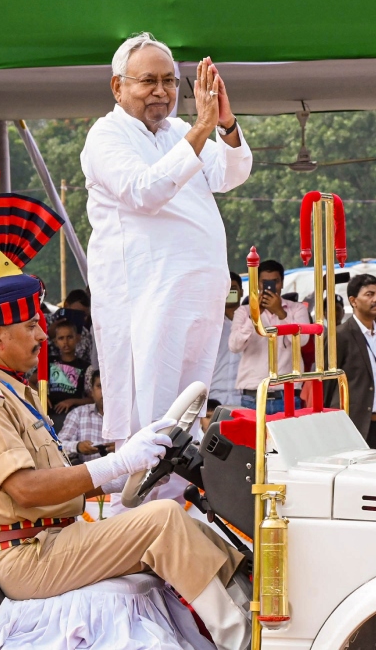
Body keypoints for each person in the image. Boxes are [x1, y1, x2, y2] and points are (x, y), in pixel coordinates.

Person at [0, 266, 250, 650]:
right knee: (162, 520)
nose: (42, 335)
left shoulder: (14, 392)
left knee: (183, 518)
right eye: (30, 326)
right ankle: (241, 637)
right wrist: (117, 464)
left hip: (53, 540)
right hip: (27, 556)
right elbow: (24, 490)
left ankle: (251, 598)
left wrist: (119, 477)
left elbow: (54, 477)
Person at [80, 32, 252, 458]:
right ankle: (136, 519)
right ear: (118, 87)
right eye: (148, 81)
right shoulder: (106, 136)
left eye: (170, 81)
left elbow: (229, 175)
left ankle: (177, 515)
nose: (162, 91)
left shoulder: (177, 130)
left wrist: (226, 125)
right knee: (150, 422)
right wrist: (201, 129)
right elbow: (145, 191)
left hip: (197, 296)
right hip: (147, 297)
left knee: (187, 419)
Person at [230, 260, 311, 414]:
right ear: (258, 284)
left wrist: (281, 313)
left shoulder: (297, 309)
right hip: (254, 395)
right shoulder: (243, 311)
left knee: (288, 439)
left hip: (286, 394)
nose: (270, 286)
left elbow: (303, 341)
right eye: (265, 282)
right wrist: (255, 315)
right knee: (251, 439)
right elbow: (234, 345)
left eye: (275, 282)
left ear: (282, 283)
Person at [324, 274, 376, 449]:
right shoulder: (340, 335)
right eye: (369, 295)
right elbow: (327, 384)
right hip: (352, 425)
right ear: (353, 301)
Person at [60, 370, 116, 464]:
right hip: (86, 474)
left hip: (122, 474)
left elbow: (140, 446)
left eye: (109, 386)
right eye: (99, 386)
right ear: (92, 392)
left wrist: (121, 447)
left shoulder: (127, 416)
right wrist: (77, 447)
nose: (104, 391)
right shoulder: (78, 414)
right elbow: (58, 446)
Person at [47, 318, 92, 428]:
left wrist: (72, 401)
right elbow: (31, 382)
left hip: (73, 416)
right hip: (49, 414)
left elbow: (92, 398)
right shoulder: (49, 362)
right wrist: (42, 395)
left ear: (78, 338)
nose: (65, 342)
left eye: (69, 337)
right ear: (56, 342)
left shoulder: (85, 367)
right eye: (61, 338)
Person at [210, 273, 244, 405]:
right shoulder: (211, 325)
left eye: (233, 289)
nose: (230, 293)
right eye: (226, 289)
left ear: (241, 292)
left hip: (244, 398)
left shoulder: (251, 322)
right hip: (213, 397)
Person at [50, 289, 98, 368]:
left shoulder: (85, 335)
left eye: (85, 315)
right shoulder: (43, 323)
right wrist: (48, 335)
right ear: (66, 305)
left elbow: (85, 366)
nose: (83, 319)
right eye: (78, 313)